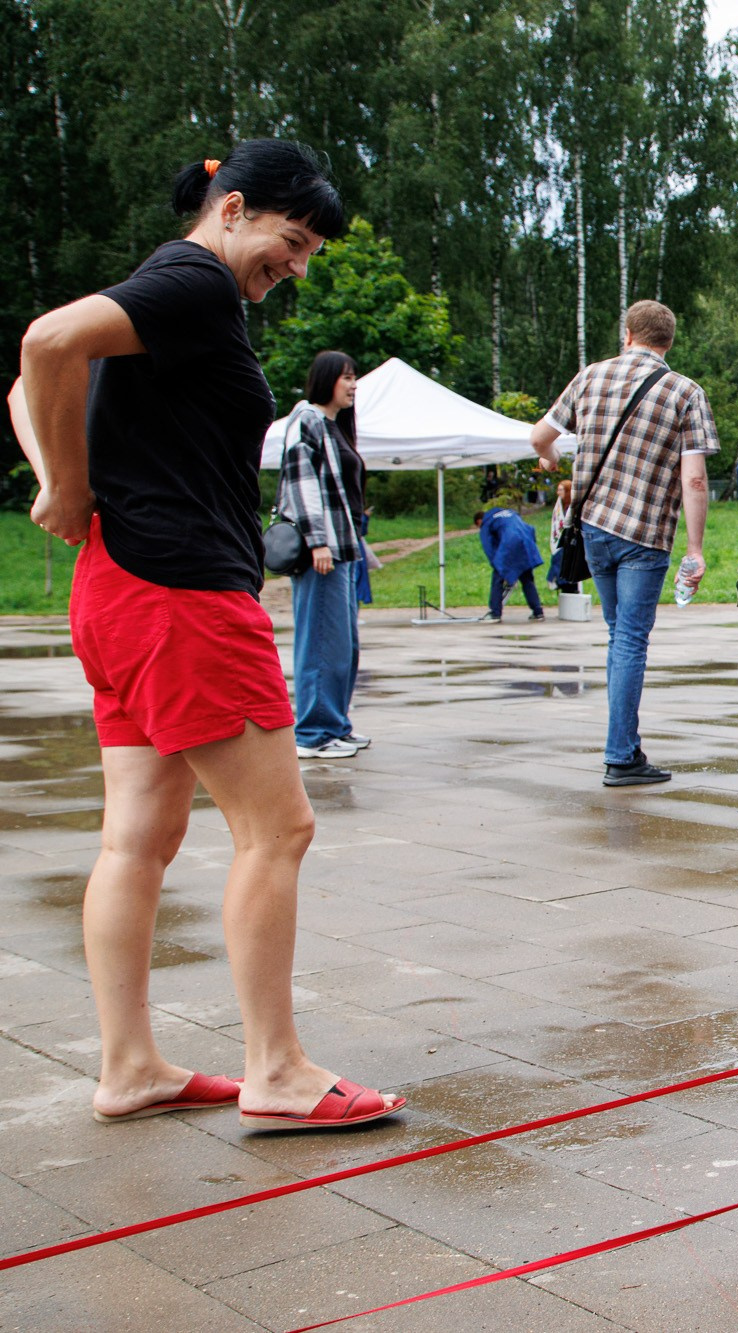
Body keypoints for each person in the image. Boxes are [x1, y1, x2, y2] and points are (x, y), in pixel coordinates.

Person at [8, 140, 404, 1131]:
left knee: (137, 836)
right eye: (292, 239)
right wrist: (62, 485)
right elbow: (45, 346)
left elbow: (27, 389)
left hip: (118, 588)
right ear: (231, 208)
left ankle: (130, 1065)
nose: (297, 264)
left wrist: (74, 488)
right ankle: (278, 1070)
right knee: (278, 828)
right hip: (182, 594)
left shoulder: (162, 284)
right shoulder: (192, 281)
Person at [529, 300, 718, 787]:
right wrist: (694, 549)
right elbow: (694, 479)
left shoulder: (590, 377)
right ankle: (621, 756)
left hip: (593, 526)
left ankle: (624, 749)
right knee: (630, 640)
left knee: (620, 638)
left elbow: (539, 437)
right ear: (668, 342)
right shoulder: (685, 392)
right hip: (645, 533)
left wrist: (551, 460)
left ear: (628, 335)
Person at [277, 351, 368, 759]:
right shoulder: (307, 419)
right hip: (323, 551)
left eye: (355, 378)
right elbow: (302, 484)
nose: (353, 385)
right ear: (326, 379)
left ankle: (335, 724)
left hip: (343, 550)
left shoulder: (335, 428)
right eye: (346, 378)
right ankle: (312, 733)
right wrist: (318, 541)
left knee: (343, 644)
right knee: (320, 641)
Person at [472, 502, 545, 622]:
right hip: (526, 543)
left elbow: (488, 547)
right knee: (527, 579)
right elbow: (529, 529)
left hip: (510, 544)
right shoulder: (510, 513)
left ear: (479, 521)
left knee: (497, 580)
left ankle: (495, 613)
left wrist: (497, 566)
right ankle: (538, 612)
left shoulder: (486, 522)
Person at [548, 477, 578, 595]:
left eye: (561, 490)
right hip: (561, 543)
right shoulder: (559, 507)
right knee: (559, 564)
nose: (558, 492)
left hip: (570, 544)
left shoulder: (572, 507)